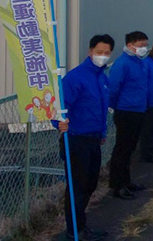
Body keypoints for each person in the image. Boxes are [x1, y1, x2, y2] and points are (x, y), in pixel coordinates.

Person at [56, 34, 114, 241]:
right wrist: (58, 123)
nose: (103, 56)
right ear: (90, 51)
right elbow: (60, 106)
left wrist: (102, 133)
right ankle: (73, 231)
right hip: (75, 138)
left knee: (90, 184)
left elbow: (100, 108)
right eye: (99, 52)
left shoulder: (101, 77)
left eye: (107, 53)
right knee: (77, 186)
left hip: (93, 138)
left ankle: (81, 225)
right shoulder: (76, 77)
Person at [108, 31, 149, 200]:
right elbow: (113, 88)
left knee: (130, 148)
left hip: (138, 109)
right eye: (140, 45)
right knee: (122, 149)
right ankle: (118, 185)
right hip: (126, 111)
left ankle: (126, 180)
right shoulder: (122, 63)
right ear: (130, 45)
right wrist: (114, 106)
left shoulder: (139, 62)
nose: (144, 49)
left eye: (145, 45)